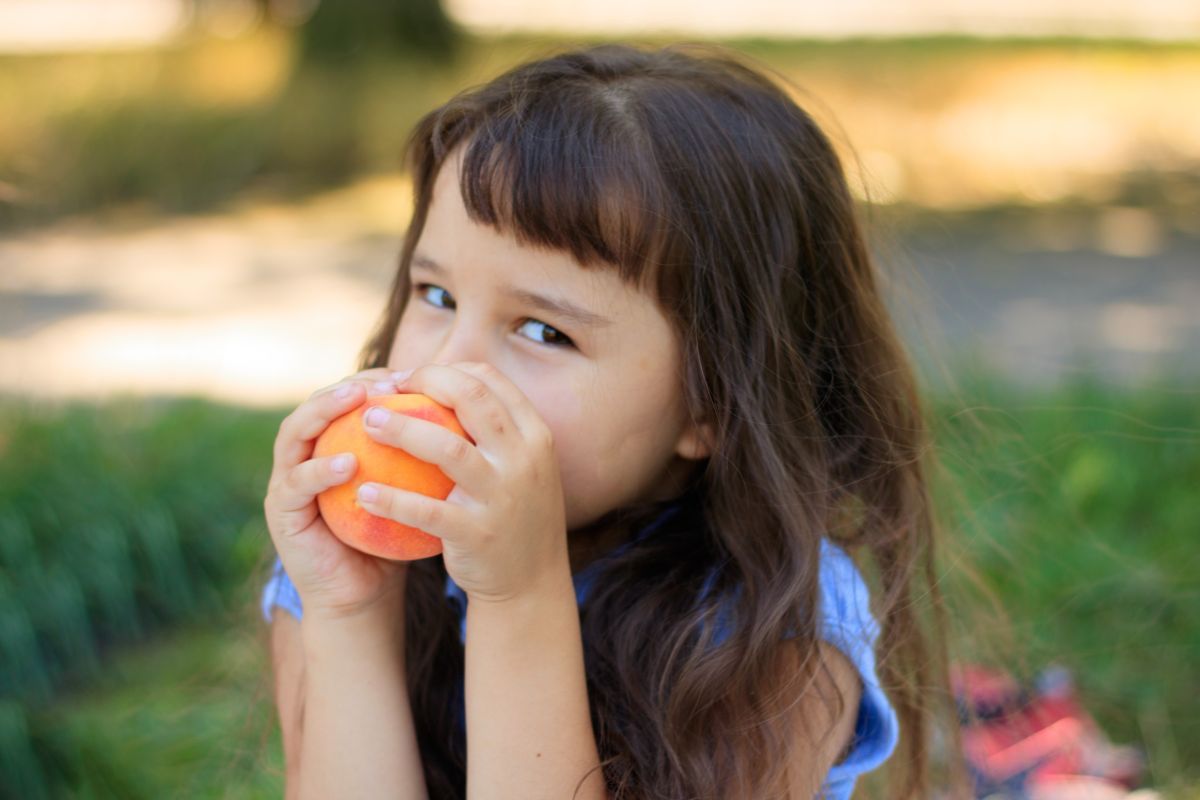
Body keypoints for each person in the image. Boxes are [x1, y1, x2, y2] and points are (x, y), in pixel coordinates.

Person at [260, 42, 967, 799]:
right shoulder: (359, 566)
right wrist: (354, 615)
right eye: (436, 295)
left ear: (714, 405)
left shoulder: (778, 627)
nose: (449, 371)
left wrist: (518, 601)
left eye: (543, 331)